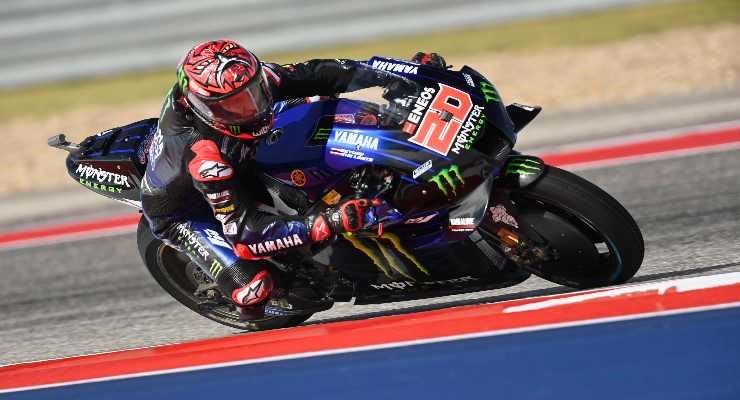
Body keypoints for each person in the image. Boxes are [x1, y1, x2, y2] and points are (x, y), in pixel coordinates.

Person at [141, 39, 446, 319]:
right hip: (185, 210)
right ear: (205, 109)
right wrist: (330, 221)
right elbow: (247, 236)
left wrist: (403, 75)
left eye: (253, 94)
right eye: (234, 107)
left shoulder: (246, 78)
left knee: (319, 99)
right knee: (252, 290)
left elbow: (326, 72)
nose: (251, 108)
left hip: (236, 154)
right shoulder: (205, 158)